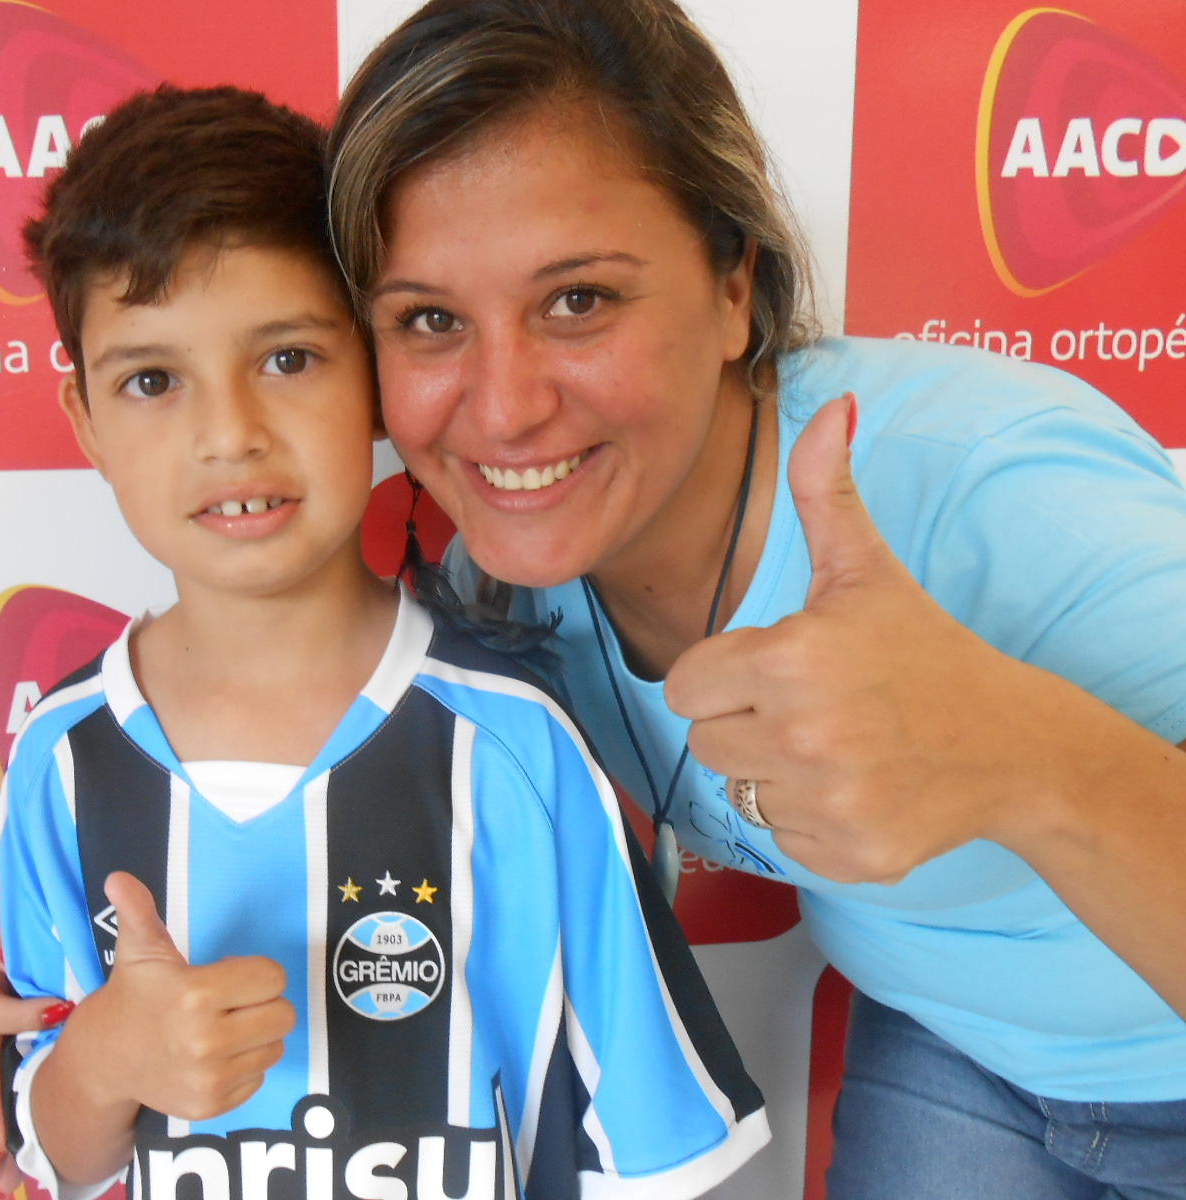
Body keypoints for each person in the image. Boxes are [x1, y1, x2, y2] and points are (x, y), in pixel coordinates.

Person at [319, 0, 1186, 1197]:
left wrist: (1031, 759)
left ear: (735, 285)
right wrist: (75, 985)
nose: (505, 407)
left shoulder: (991, 493)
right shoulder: (496, 583)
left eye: (578, 300)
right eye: (428, 320)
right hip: (956, 1052)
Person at [0, 82, 769, 1200]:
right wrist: (109, 1057)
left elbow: (652, 1146)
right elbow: (52, 1150)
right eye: (153, 380)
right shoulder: (61, 760)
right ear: (85, 423)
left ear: (373, 377)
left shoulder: (513, 741)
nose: (230, 435)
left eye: (289, 358)